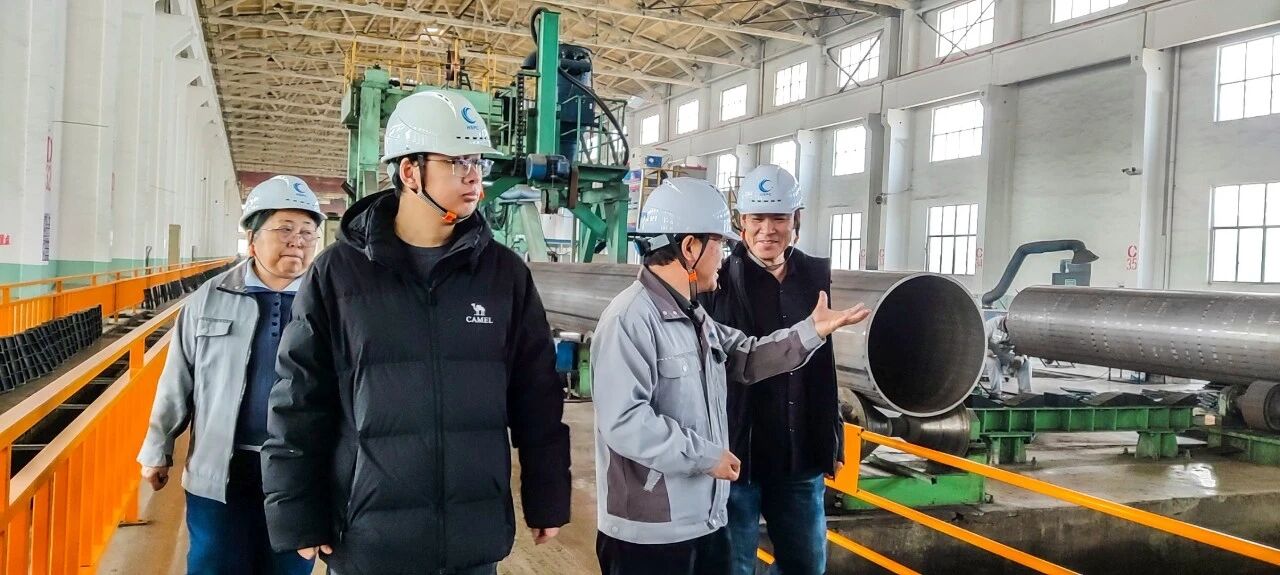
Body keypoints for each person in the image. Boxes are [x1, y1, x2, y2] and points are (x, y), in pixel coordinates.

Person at [260, 90, 571, 575]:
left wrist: (547, 494)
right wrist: (298, 514)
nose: (474, 176)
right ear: (410, 172)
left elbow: (537, 395)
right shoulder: (337, 274)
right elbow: (299, 399)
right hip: (369, 539)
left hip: (472, 538)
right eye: (457, 161)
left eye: (477, 162)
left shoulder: (504, 274)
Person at [591, 177, 870, 575]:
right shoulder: (630, 319)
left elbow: (747, 355)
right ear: (690, 248)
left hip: (702, 518)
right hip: (651, 529)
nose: (725, 256)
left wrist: (812, 331)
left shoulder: (693, 316)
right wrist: (707, 455)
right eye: (719, 245)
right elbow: (625, 422)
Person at [137, 174, 325, 575]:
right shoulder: (211, 297)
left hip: (299, 470)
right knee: (215, 563)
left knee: (288, 568)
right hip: (221, 467)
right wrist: (158, 449)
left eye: (308, 232)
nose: (298, 241)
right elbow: (178, 378)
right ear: (253, 238)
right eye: (285, 229)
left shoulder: (330, 302)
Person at [701, 164, 841, 575]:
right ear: (741, 223)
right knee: (734, 566)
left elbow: (823, 366)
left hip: (799, 455)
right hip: (737, 453)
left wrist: (831, 437)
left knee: (807, 564)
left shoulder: (814, 276)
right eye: (757, 218)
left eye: (778, 218)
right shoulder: (719, 279)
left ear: (796, 219)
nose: (767, 230)